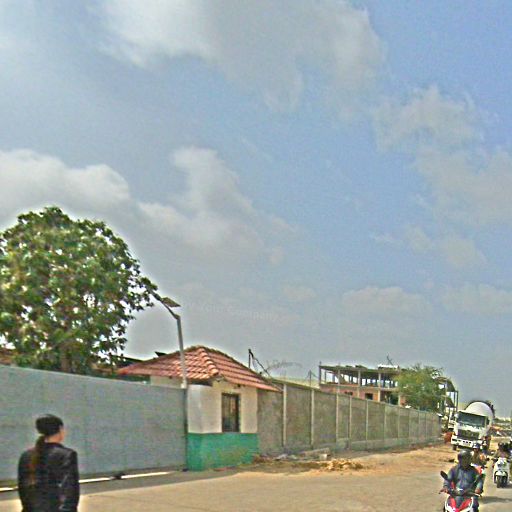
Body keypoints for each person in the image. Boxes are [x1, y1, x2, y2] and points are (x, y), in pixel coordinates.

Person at [18, 414, 80, 512]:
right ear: (60, 429)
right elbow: (69, 487)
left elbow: (23, 487)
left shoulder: (26, 455)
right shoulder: (66, 455)